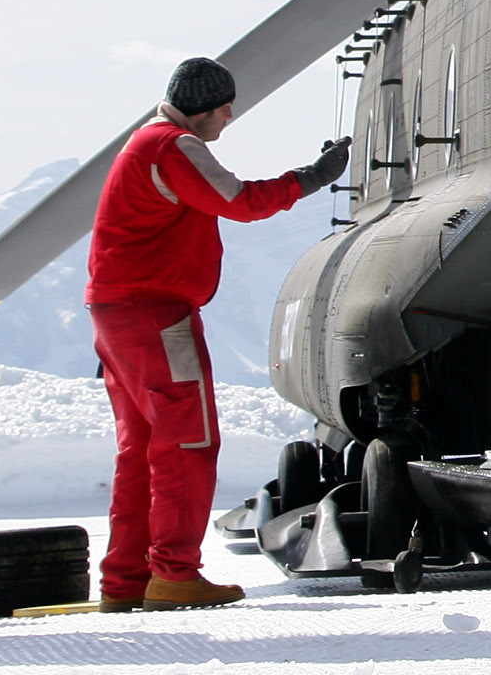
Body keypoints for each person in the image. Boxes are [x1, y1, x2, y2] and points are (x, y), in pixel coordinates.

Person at [86, 55, 348, 610]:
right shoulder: (173, 145)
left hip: (117, 316)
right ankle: (175, 574)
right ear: (213, 107)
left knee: (141, 450)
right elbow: (238, 201)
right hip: (158, 316)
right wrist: (312, 177)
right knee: (187, 441)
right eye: (227, 112)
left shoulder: (141, 145)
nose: (228, 122)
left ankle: (126, 580)